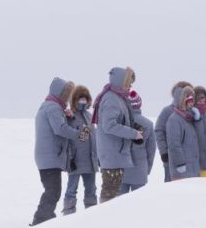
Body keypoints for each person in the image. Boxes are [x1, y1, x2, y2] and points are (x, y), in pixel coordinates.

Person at [31, 78, 79, 226]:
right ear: (62, 93)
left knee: (52, 190)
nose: (68, 97)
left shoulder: (48, 106)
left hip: (47, 157)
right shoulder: (53, 108)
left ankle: (44, 219)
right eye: (67, 93)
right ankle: (41, 221)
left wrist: (68, 117)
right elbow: (60, 129)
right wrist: (79, 134)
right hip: (49, 157)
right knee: (53, 191)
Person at [93, 66, 143, 201]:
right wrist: (133, 133)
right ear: (122, 82)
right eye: (129, 82)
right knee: (110, 194)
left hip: (114, 154)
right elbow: (109, 126)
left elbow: (119, 121)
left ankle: (106, 220)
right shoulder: (111, 99)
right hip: (112, 155)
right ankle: (104, 220)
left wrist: (134, 127)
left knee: (113, 192)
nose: (130, 86)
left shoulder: (117, 97)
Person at [63, 85, 99, 215]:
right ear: (74, 99)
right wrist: (70, 159)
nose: (83, 101)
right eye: (80, 98)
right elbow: (70, 138)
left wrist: (97, 159)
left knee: (91, 190)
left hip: (90, 161)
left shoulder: (90, 116)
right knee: (71, 190)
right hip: (75, 161)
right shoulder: (69, 115)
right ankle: (68, 214)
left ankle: (91, 214)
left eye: (85, 98)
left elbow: (92, 138)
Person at [155, 81, 191, 183]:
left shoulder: (192, 113)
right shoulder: (167, 111)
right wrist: (164, 151)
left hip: (191, 162)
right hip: (171, 160)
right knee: (171, 190)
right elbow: (159, 131)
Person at [121, 90, 157, 193]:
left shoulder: (120, 123)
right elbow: (151, 150)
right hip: (140, 169)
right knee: (138, 205)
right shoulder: (148, 124)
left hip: (122, 169)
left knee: (120, 205)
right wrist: (147, 169)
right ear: (140, 104)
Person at [166, 86, 202, 179]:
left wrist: (198, 120)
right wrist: (180, 163)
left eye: (192, 101)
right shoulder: (174, 120)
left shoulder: (189, 119)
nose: (191, 104)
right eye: (189, 101)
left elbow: (200, 137)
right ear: (183, 101)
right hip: (182, 171)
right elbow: (174, 144)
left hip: (193, 170)